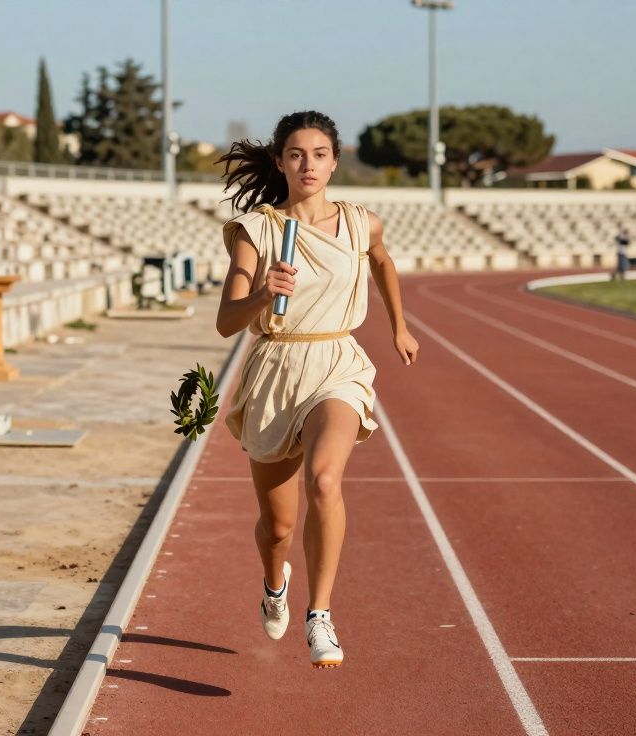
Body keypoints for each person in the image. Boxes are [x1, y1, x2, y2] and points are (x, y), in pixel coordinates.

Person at [213, 111, 419, 668]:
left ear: (335, 161)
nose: (309, 164)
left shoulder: (360, 223)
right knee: (278, 527)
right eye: (297, 154)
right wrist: (263, 295)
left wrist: (399, 326)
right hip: (277, 369)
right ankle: (274, 583)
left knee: (325, 479)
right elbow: (226, 322)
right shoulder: (256, 231)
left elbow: (382, 262)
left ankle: (320, 615)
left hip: (337, 363)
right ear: (280, 162)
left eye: (320, 154)